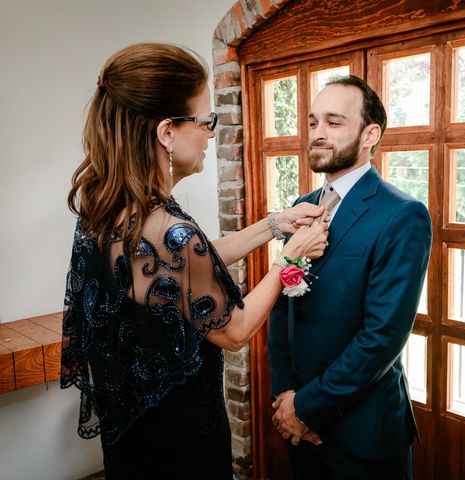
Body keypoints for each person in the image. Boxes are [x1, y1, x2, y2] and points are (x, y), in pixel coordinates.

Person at [61, 43, 328, 479]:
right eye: (207, 122)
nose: (210, 134)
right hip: (180, 436)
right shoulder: (169, 230)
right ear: (167, 132)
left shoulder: (111, 207)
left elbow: (180, 270)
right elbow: (236, 330)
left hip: (133, 433)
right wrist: (288, 260)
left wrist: (273, 225)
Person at [268, 75, 432, 480]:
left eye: (333, 122)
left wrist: (308, 407)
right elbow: (283, 307)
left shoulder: (402, 214)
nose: (318, 134)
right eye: (312, 122)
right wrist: (286, 396)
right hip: (296, 424)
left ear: (369, 134)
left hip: (362, 433)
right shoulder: (302, 206)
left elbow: (382, 338)